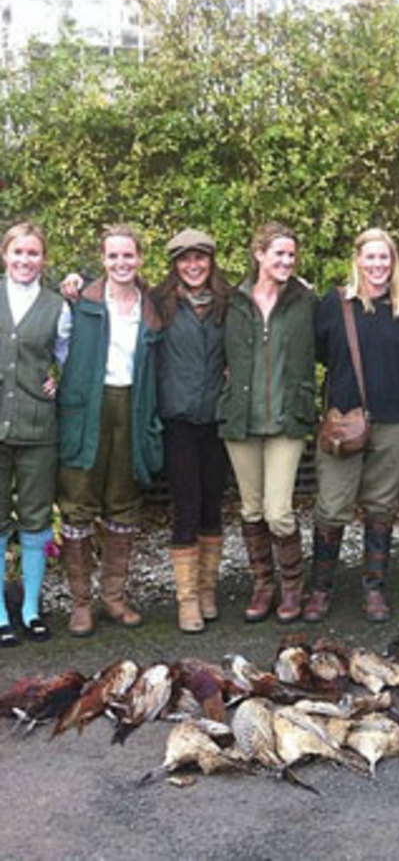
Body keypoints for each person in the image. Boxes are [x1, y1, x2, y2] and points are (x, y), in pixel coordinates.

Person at [303, 227, 399, 623]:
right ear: (357, 259)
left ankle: (374, 589)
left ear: (393, 262)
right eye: (370, 257)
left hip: (394, 422)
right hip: (344, 421)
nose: (377, 264)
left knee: (381, 507)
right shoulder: (335, 303)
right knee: (331, 507)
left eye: (384, 257)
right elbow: (317, 353)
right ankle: (320, 589)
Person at [58, 224, 163, 637]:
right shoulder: (80, 301)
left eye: (128, 255)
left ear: (140, 259)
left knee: (123, 501)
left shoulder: (152, 307)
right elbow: (47, 341)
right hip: (86, 409)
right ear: (102, 259)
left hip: (132, 406)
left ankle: (114, 597)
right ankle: (81, 602)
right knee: (78, 501)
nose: (121, 263)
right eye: (113, 256)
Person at [218, 222, 315, 624]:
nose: (287, 261)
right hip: (241, 418)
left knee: (279, 511)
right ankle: (263, 585)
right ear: (259, 254)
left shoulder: (306, 301)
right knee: (252, 509)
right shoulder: (232, 301)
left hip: (287, 419)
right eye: (279, 254)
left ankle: (292, 585)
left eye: (291, 255)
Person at [151, 229, 230, 633]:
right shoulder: (158, 302)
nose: (193, 266)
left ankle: (208, 589)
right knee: (187, 505)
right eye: (185, 259)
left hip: (216, 418)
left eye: (200, 258)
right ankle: (187, 599)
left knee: (213, 503)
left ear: (211, 262)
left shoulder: (228, 303)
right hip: (177, 419)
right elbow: (114, 295)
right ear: (175, 264)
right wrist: (76, 285)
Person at [0, 222, 71, 646]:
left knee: (35, 517)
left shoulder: (57, 307)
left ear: (44, 259)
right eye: (18, 252)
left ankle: (30, 608)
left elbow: (70, 358)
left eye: (33, 253)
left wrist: (58, 381)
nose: (24, 260)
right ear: (5, 254)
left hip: (38, 427)